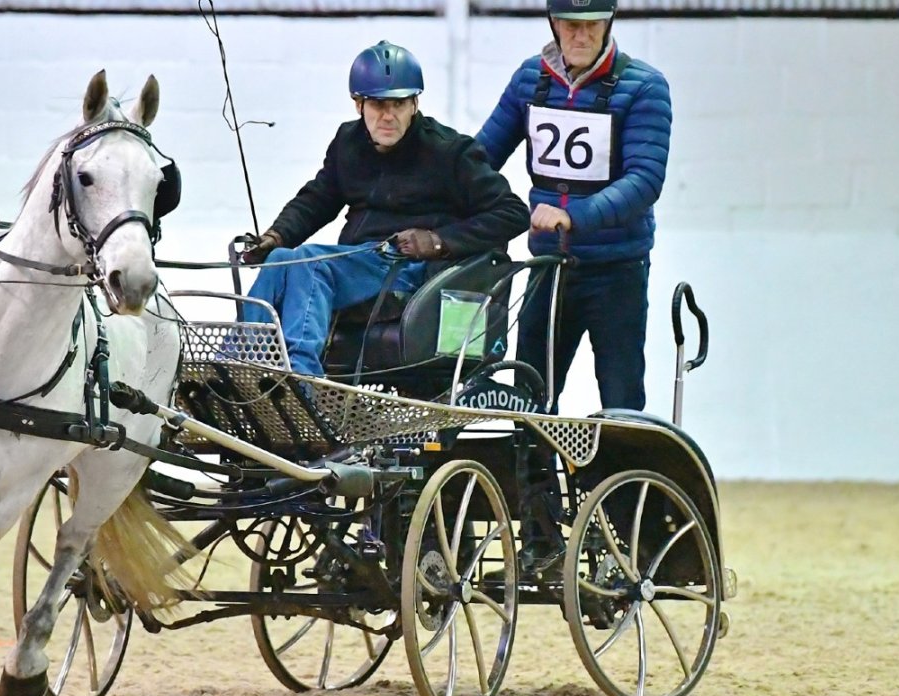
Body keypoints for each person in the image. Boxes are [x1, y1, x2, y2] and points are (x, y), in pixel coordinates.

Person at [236, 40, 529, 378]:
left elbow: (512, 213)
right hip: (356, 263)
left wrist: (437, 241)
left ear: (415, 103)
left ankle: (301, 379)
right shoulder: (348, 142)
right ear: (358, 104)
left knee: (311, 266)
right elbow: (317, 199)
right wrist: (276, 236)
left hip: (410, 271)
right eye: (377, 104)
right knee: (282, 260)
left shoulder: (450, 152)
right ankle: (240, 364)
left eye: (399, 104)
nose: (388, 116)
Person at [474, 0, 671, 414]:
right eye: (570, 24)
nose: (581, 36)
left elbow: (644, 180)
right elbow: (480, 158)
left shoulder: (645, 87)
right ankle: (530, 477)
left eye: (592, 25)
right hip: (548, 269)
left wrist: (573, 216)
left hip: (616, 271)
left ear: (607, 23)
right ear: (554, 24)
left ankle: (623, 477)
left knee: (622, 399)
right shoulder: (530, 79)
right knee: (530, 399)